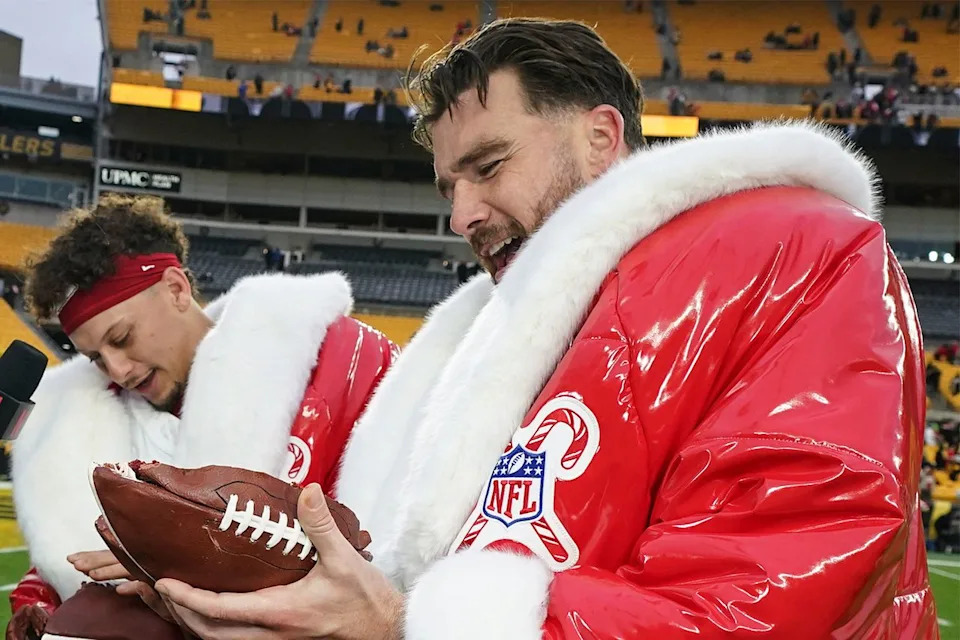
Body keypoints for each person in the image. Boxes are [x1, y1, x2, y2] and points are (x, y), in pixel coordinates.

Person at [141, 18, 937, 639]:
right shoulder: (494, 335)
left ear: (601, 138)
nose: (462, 216)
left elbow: (771, 594)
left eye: (489, 167)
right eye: (449, 187)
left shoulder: (790, 247)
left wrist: (401, 627)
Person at [6, 194, 396, 636]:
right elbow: (68, 555)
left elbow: (384, 549)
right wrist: (36, 603)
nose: (118, 370)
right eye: (95, 358)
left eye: (122, 337)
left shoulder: (337, 364)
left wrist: (172, 559)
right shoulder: (89, 419)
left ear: (176, 288)